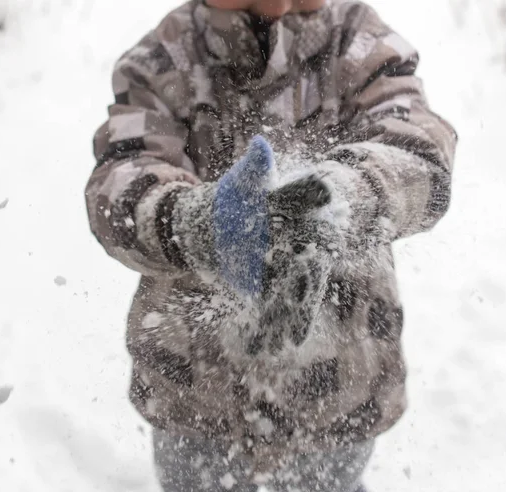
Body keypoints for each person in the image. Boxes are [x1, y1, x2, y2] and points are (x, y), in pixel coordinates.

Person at [85, 0, 457, 490]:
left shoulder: (356, 41)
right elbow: (121, 183)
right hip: (196, 396)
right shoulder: (162, 60)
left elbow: (418, 153)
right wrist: (194, 222)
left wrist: (339, 197)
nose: (277, 4)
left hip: (335, 390)